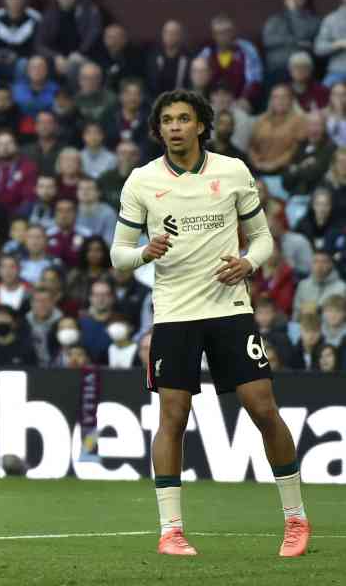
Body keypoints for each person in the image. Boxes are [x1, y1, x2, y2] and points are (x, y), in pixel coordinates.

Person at [109, 89, 306, 557]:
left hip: (229, 310)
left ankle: (296, 519)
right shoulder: (140, 181)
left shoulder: (233, 171)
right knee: (172, 418)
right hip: (175, 314)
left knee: (262, 407)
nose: (175, 127)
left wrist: (248, 264)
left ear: (201, 125)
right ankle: (171, 530)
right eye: (167, 121)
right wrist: (144, 253)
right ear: (158, 130)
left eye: (184, 119)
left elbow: (261, 240)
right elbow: (119, 255)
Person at [35, 0, 102, 82]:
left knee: (75, 67)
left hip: (82, 56)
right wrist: (56, 56)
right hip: (55, 57)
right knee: (36, 64)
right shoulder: (49, 13)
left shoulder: (89, 11)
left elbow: (93, 35)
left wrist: (80, 53)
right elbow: (39, 43)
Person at [263, 0, 320, 80]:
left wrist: (294, 13)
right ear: (285, 0)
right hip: (278, 65)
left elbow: (303, 35)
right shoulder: (275, 19)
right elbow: (267, 41)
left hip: (301, 65)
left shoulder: (312, 20)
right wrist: (295, 42)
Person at [314, 0, 346, 87]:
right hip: (338, 71)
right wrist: (338, 44)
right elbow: (318, 48)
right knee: (323, 92)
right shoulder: (331, 19)